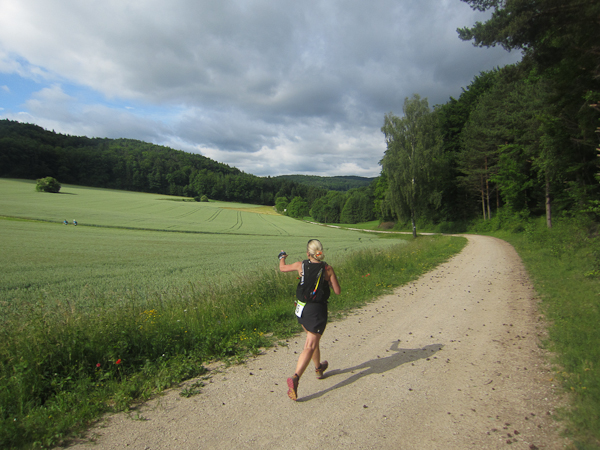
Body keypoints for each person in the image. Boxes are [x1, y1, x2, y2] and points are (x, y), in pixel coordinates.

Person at [278, 239, 341, 401]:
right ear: (320, 252)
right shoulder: (327, 269)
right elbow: (337, 291)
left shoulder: (301, 265)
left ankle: (318, 368)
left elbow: (282, 268)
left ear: (308, 254)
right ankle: (296, 377)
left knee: (313, 339)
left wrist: (282, 257)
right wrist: (329, 281)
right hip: (316, 311)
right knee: (310, 345)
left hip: (302, 310)